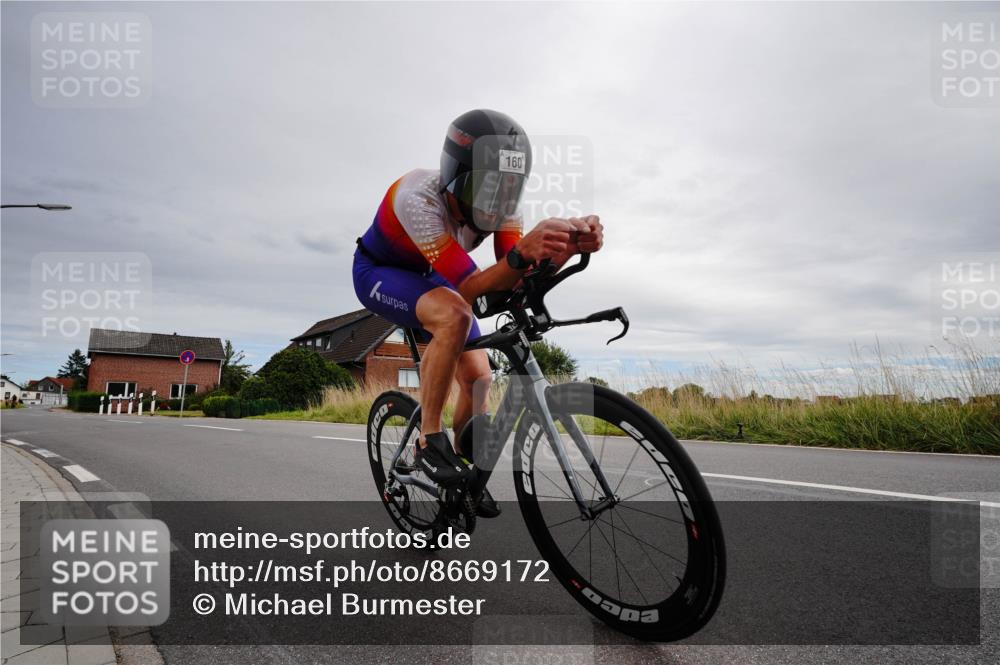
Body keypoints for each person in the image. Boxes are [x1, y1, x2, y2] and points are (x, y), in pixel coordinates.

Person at [352, 109, 603, 514]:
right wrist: (523, 253)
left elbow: (513, 276)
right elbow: (469, 288)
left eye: (509, 189)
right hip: (379, 272)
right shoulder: (419, 198)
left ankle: (460, 475)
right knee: (455, 314)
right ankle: (427, 441)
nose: (497, 203)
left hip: (434, 276)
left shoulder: (506, 209)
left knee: (480, 379)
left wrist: (564, 248)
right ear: (455, 175)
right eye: (487, 188)